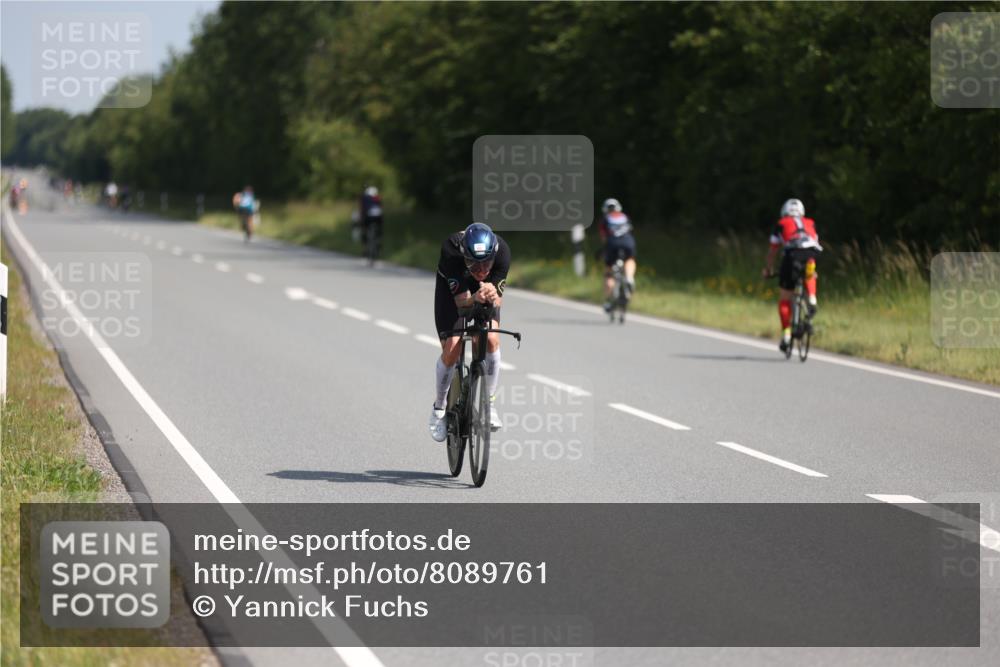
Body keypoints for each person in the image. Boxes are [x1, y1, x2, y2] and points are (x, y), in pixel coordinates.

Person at [428, 222, 510, 442]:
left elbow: (496, 301)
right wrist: (474, 298)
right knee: (453, 347)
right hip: (453, 293)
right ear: (465, 256)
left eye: (487, 265)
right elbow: (462, 305)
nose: (482, 271)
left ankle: (488, 403)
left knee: (491, 338)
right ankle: (439, 407)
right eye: (474, 265)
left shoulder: (502, 252)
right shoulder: (451, 252)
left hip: (481, 292)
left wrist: (491, 293)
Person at [762, 198, 822, 353]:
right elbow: (815, 240)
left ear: (784, 212)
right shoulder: (810, 222)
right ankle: (812, 298)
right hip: (812, 252)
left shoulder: (781, 223)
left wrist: (768, 269)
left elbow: (773, 251)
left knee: (785, 299)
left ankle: (787, 334)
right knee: (810, 272)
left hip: (792, 254)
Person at [598, 198, 637, 311]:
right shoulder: (624, 217)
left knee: (609, 272)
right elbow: (629, 230)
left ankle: (608, 299)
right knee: (630, 259)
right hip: (628, 242)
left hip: (612, 244)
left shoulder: (605, 219)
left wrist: (603, 250)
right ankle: (629, 278)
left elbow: (604, 238)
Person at [359, 185, 384, 258]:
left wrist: (361, 220)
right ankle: (379, 240)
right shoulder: (377, 198)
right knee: (379, 229)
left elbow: (362, 209)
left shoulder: (365, 198)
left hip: (368, 216)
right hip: (378, 216)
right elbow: (381, 208)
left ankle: (365, 247)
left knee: (365, 229)